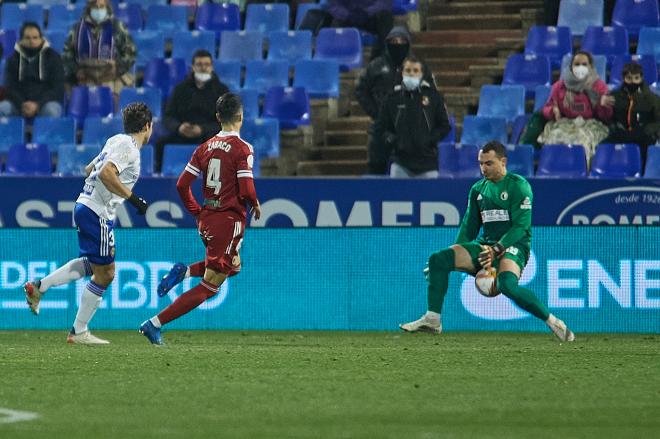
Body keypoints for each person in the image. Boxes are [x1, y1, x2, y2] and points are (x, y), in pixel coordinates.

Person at [400, 141, 575, 342]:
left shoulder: (519, 186)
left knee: (507, 285)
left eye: (489, 163)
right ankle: (433, 319)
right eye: (481, 163)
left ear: (503, 162)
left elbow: (521, 228)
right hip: (486, 246)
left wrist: (497, 249)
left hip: (513, 246)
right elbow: (469, 227)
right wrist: (449, 261)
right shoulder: (477, 190)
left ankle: (553, 322)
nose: (483, 168)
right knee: (438, 259)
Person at [23, 103, 153, 345]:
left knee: (96, 266)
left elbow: (89, 168)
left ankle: (40, 287)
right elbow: (104, 173)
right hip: (97, 211)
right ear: (147, 126)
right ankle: (79, 331)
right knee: (107, 274)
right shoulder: (129, 148)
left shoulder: (116, 140)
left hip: (85, 205)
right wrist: (133, 199)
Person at [139, 92, 261, 346]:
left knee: (234, 266)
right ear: (241, 116)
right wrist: (255, 203)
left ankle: (183, 273)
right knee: (211, 284)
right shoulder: (243, 148)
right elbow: (246, 188)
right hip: (228, 221)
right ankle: (154, 324)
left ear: (217, 117)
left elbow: (183, 185)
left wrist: (198, 211)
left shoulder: (204, 147)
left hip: (207, 220)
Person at [355, 26, 436, 174]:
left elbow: (431, 94)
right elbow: (361, 90)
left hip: (410, 129)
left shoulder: (417, 67)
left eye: (401, 41)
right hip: (382, 127)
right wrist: (376, 113)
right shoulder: (376, 65)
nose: (397, 44)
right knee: (376, 166)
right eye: (394, 41)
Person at [374, 55, 450, 178]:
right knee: (398, 197)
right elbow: (380, 127)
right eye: (408, 70)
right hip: (400, 163)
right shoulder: (392, 98)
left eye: (415, 71)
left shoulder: (434, 97)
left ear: (421, 74)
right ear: (402, 73)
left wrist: (429, 140)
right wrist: (394, 140)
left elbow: (444, 126)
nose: (411, 74)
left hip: (428, 163)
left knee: (428, 197)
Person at [155, 49, 230, 172]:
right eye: (199, 65)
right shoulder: (180, 89)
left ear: (212, 67)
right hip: (183, 133)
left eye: (206, 65)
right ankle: (160, 178)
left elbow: (226, 122)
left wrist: (202, 129)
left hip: (209, 136)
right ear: (193, 67)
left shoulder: (221, 90)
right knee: (161, 144)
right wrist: (179, 127)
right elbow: (168, 117)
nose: (203, 68)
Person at [537, 51, 614, 159]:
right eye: (577, 64)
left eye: (584, 64)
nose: (580, 67)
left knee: (583, 141)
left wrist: (602, 105)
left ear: (590, 66)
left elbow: (606, 117)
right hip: (566, 123)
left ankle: (580, 171)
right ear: (571, 66)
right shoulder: (559, 86)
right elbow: (548, 107)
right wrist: (553, 111)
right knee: (555, 138)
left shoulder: (598, 86)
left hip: (590, 125)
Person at [61, 0, 136, 95]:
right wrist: (76, 70)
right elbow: (66, 54)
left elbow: (131, 53)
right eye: (95, 7)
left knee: (115, 96)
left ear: (107, 7)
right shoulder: (77, 28)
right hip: (84, 76)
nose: (98, 10)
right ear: (89, 8)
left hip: (111, 76)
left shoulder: (117, 27)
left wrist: (118, 68)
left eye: (102, 6)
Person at [0, 22, 65, 118]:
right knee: (2, 108)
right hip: (19, 104)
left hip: (45, 103)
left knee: (52, 111)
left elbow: (57, 88)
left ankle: (45, 134)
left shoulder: (53, 57)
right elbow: (10, 87)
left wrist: (38, 104)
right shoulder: (13, 59)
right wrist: (22, 104)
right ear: (21, 40)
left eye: (35, 37)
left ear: (41, 38)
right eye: (27, 38)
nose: (32, 41)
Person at [601, 62, 660, 166]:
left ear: (641, 78)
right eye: (629, 78)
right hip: (621, 133)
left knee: (643, 152)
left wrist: (647, 130)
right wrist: (603, 107)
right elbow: (607, 118)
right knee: (604, 147)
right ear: (623, 78)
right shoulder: (614, 96)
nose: (633, 82)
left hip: (643, 135)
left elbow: (658, 121)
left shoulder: (652, 99)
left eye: (636, 78)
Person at [326, 0, 393, 59]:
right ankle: (336, 58)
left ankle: (381, 58)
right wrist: (348, 15)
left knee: (385, 18)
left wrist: (367, 12)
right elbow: (334, 5)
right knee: (335, 24)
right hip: (348, 17)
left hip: (370, 16)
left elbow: (384, 3)